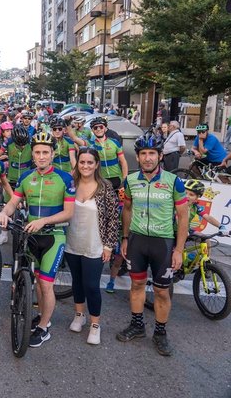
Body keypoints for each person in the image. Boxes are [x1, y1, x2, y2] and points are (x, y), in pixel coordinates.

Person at [0, 131, 75, 348]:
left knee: (46, 284)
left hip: (53, 236)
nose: (41, 156)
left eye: (45, 152)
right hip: (30, 237)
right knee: (37, 282)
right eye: (38, 152)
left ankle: (43, 327)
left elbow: (69, 212)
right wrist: (5, 212)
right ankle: (41, 317)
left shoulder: (64, 178)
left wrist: (44, 221)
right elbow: (14, 202)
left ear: (52, 154)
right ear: (33, 154)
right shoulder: (25, 178)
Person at [116, 131, 188, 356]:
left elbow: (183, 217)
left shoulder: (173, 182)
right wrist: (125, 238)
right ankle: (137, 325)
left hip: (163, 244)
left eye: (152, 153)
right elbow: (127, 210)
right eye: (143, 153)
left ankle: (160, 332)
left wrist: (179, 250)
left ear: (160, 156)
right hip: (137, 241)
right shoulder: (130, 181)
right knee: (136, 286)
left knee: (161, 292)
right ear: (137, 157)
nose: (148, 158)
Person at [64, 147, 119, 345]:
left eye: (90, 162)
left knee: (91, 286)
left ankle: (95, 324)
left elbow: (114, 219)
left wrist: (109, 246)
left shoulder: (105, 188)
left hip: (95, 245)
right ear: (77, 164)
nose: (85, 166)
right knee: (77, 282)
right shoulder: (70, 184)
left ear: (96, 164)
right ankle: (79, 315)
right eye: (82, 162)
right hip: (72, 242)